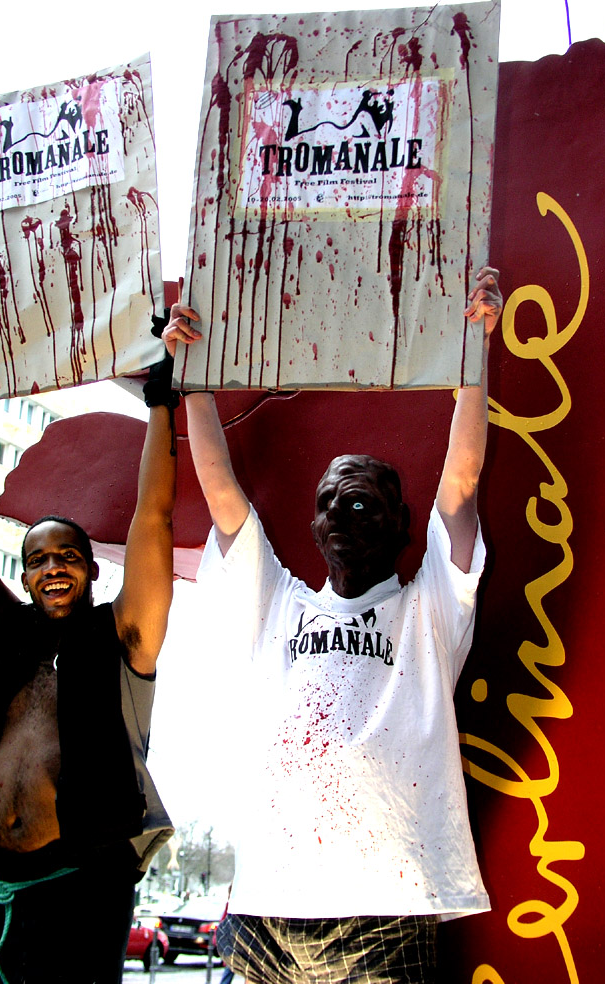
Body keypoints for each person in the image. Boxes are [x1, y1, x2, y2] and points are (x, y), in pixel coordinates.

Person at [162, 268, 503, 984]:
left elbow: (462, 479)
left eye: (366, 499)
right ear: (312, 527)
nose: (346, 505)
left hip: (389, 907)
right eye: (332, 500)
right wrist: (191, 381)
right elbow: (219, 485)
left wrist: (475, 356)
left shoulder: (429, 610)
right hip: (266, 912)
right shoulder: (275, 602)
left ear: (405, 527)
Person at [0, 349, 179, 984]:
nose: (53, 568)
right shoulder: (8, 634)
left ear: (92, 569)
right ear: (26, 575)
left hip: (83, 887)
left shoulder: (124, 635)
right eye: (37, 560)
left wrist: (160, 403)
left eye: (67, 554)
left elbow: (151, 517)